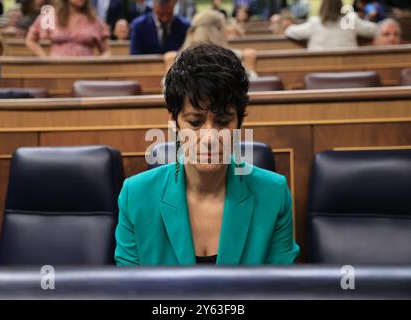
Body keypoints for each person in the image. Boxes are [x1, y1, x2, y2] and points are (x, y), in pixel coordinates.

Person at [114, 43, 300, 265]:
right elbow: (130, 292)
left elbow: (278, 292)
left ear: (239, 124)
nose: (210, 137)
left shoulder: (274, 193)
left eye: (222, 122)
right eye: (195, 122)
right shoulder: (135, 195)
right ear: (174, 123)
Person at [164, 11, 257, 79]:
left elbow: (169, 93)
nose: (227, 30)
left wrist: (169, 70)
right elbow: (247, 89)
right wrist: (250, 68)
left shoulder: (178, 59)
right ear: (217, 30)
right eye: (225, 26)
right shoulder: (236, 57)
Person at [26, 0, 111, 57]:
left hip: (86, 71)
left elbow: (107, 51)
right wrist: (45, 59)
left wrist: (98, 64)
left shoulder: (93, 20)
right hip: (57, 70)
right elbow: (31, 40)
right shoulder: (51, 16)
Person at [284, 0, 378, 50]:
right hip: (349, 66)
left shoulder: (315, 22)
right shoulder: (350, 20)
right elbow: (374, 29)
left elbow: (289, 31)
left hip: (318, 68)